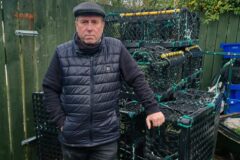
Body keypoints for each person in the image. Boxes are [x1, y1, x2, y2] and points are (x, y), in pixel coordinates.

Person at [42, 1, 165, 160]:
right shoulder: (62, 53)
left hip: (105, 140)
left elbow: (136, 78)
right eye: (84, 22)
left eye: (95, 22)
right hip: (73, 140)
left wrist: (153, 108)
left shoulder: (116, 48)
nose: (89, 27)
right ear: (76, 24)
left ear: (102, 25)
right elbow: (49, 88)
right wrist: (61, 122)